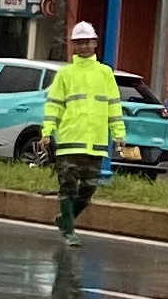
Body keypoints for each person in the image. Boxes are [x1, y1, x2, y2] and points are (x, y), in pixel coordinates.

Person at [43, 18, 124, 235]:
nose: (84, 46)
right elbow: (54, 106)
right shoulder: (65, 74)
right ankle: (69, 231)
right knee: (67, 189)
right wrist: (47, 132)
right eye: (79, 42)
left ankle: (64, 219)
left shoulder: (105, 73)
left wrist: (119, 134)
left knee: (89, 189)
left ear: (95, 43)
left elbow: (114, 106)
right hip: (69, 140)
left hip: (96, 142)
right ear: (73, 45)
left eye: (87, 41)